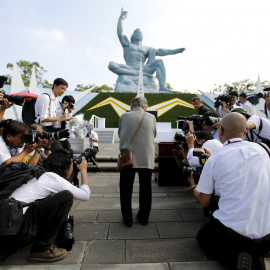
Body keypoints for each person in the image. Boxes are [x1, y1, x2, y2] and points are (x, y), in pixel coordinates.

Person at [188, 112, 270, 270]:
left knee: (204, 236)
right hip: (266, 234)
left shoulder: (215, 159)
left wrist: (193, 186)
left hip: (233, 234)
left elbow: (204, 201)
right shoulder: (264, 151)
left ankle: (235, 259)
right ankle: (256, 257)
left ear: (221, 131)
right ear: (245, 132)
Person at [0, 148, 89, 263]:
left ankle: (7, 247)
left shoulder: (38, 172)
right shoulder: (52, 178)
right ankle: (42, 248)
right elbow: (85, 195)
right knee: (66, 197)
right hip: (15, 226)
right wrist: (83, 171)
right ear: (66, 168)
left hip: (7, 225)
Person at [108, 8, 185, 92]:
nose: (138, 34)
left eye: (140, 33)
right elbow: (120, 34)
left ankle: (162, 86)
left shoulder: (146, 49)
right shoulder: (127, 45)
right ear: (132, 36)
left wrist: (175, 51)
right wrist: (120, 19)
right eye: (136, 33)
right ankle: (135, 74)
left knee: (159, 62)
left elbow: (161, 51)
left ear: (142, 37)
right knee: (111, 64)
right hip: (128, 68)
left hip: (144, 69)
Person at [118, 97, 156, 227]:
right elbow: (154, 134)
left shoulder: (124, 116)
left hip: (128, 157)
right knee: (146, 188)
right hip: (146, 157)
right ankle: (144, 217)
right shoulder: (151, 117)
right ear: (145, 107)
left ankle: (127, 217)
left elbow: (120, 133)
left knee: (125, 188)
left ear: (131, 107)